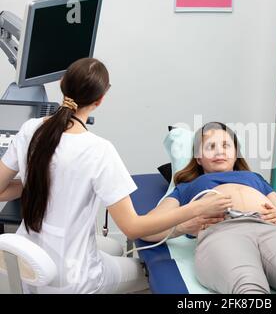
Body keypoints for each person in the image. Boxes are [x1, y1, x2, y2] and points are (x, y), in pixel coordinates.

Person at [0, 58, 231, 294]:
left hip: (29, 268)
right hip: (75, 280)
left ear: (62, 84)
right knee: (145, 272)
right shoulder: (98, 150)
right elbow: (132, 227)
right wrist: (196, 209)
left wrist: (38, 182)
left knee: (114, 248)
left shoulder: (30, 129)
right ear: (100, 99)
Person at [142, 122, 276, 294]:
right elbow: (145, 228)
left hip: (274, 230)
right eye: (210, 147)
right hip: (223, 233)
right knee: (248, 288)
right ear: (198, 158)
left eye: (226, 146)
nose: (219, 152)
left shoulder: (255, 178)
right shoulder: (187, 187)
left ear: (236, 152)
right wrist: (183, 227)